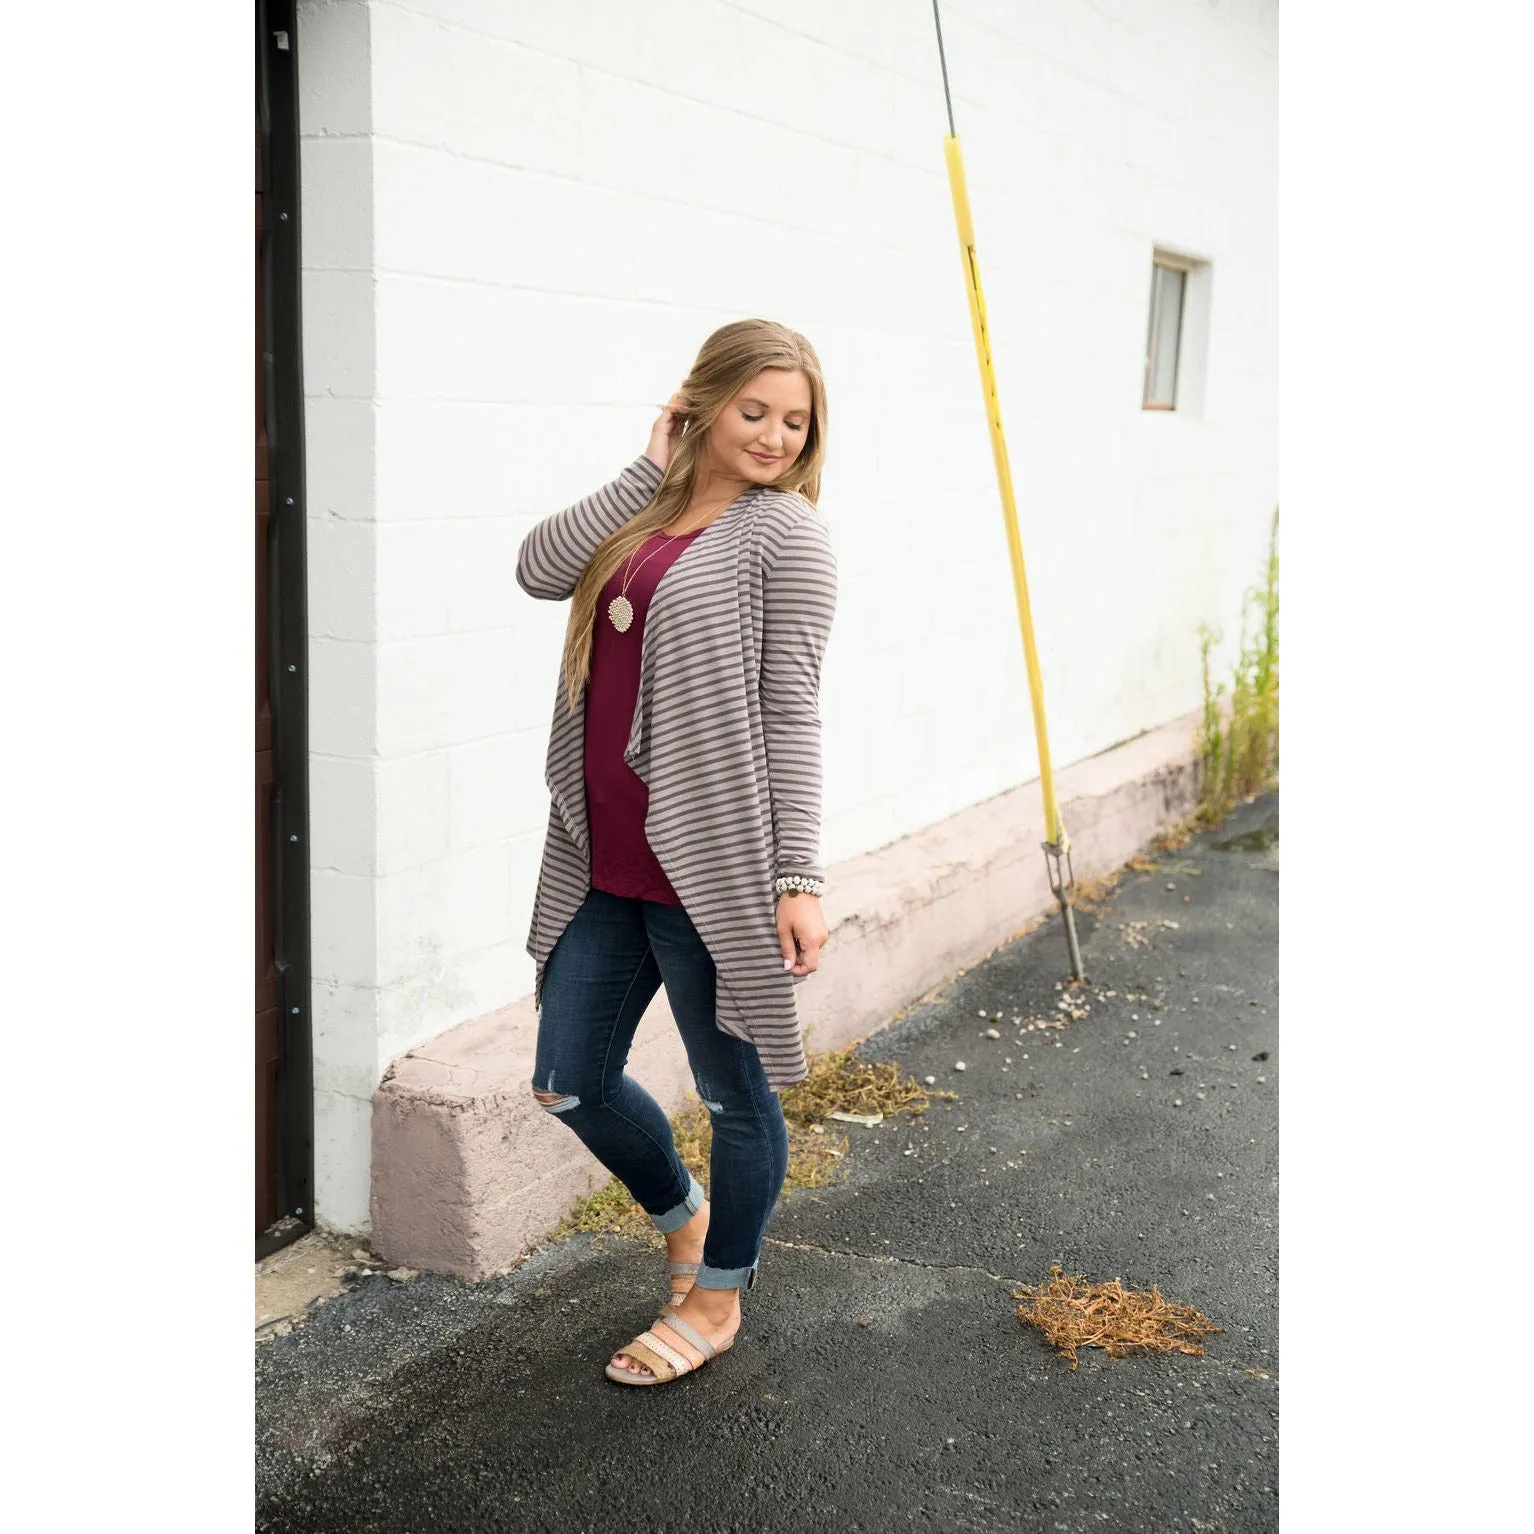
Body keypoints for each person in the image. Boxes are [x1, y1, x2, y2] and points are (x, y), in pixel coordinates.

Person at [514, 318, 839, 1386]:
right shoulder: (646, 510)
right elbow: (536, 567)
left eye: (794, 421)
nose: (775, 436)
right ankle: (682, 1217)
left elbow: (790, 713)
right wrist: (645, 465)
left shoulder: (782, 536)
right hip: (602, 859)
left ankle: (719, 1293)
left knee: (737, 1095)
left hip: (711, 875)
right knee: (569, 1079)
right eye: (754, 410)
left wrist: (797, 876)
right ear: (700, 402)